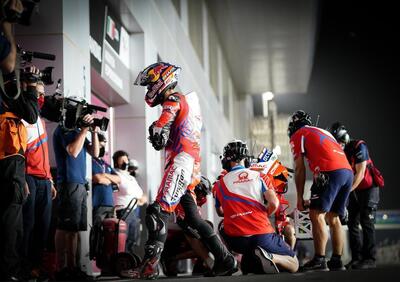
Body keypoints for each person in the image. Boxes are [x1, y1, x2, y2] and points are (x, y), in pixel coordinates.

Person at [132, 62, 237, 279]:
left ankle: (148, 268)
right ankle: (226, 260)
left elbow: (162, 126)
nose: (148, 89)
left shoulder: (173, 99)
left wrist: (158, 128)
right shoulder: (188, 100)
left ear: (163, 80)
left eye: (150, 84)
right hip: (189, 164)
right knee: (192, 220)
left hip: (181, 162)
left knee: (157, 213)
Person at [214, 140, 299, 274]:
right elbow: (274, 203)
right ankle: (272, 257)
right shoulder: (260, 176)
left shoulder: (219, 184)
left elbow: (220, 212)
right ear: (246, 159)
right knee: (294, 263)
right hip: (261, 235)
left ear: (226, 160)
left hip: (237, 241)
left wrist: (237, 213)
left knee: (222, 226)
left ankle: (232, 260)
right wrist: (262, 213)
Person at [0, 10, 40, 280]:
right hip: (7, 155)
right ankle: (10, 272)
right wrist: (30, 88)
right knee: (11, 221)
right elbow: (32, 114)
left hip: (11, 159)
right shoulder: (8, 86)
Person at [288, 110, 353, 271]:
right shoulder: (323, 132)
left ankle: (319, 259)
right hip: (347, 171)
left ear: (294, 126)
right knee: (334, 217)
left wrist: (299, 198)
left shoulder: (299, 134)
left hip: (329, 171)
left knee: (316, 214)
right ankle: (337, 260)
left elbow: (300, 169)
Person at [52, 101, 99, 280]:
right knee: (67, 228)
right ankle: (64, 268)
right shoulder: (63, 130)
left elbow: (95, 152)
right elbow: (73, 151)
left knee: (77, 230)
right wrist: (85, 130)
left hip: (80, 185)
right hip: (68, 183)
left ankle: (74, 268)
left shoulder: (78, 132)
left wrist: (93, 131)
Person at [329, 122, 380, 269]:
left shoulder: (359, 146)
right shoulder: (339, 152)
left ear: (345, 138)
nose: (337, 145)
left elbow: (360, 174)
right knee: (352, 224)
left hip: (368, 188)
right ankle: (356, 258)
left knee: (367, 222)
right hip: (354, 190)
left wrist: (345, 192)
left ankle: (370, 258)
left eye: (339, 142)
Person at [21, 81, 57, 279]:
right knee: (28, 224)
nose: (41, 97)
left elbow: (44, 154)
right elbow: (19, 152)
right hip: (28, 177)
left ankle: (36, 266)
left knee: (43, 226)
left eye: (43, 93)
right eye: (38, 93)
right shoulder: (24, 117)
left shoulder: (40, 120)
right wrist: (22, 178)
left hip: (44, 180)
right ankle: (23, 267)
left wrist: (50, 179)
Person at [112, 150, 146, 257]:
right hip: (123, 211)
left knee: (133, 239)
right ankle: (120, 263)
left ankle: (129, 263)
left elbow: (141, 194)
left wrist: (142, 199)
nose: (125, 162)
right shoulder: (115, 173)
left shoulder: (131, 177)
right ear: (116, 163)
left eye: (126, 160)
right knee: (122, 240)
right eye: (122, 160)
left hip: (134, 211)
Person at [92, 133, 120, 226]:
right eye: (100, 146)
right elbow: (98, 179)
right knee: (97, 233)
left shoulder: (105, 164)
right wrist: (109, 179)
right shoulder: (92, 161)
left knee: (110, 234)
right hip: (97, 204)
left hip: (110, 205)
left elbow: (118, 179)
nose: (102, 148)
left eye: (103, 146)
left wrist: (104, 175)